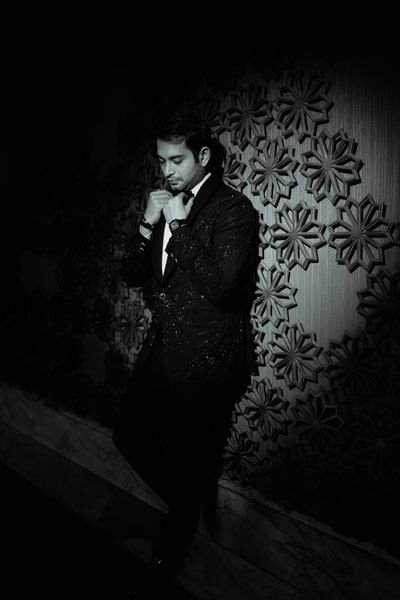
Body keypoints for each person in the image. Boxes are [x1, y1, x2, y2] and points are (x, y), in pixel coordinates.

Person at [112, 111, 259, 587]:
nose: (166, 170)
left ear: (203, 156)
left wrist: (178, 228)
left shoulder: (234, 210)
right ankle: (188, 504)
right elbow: (133, 274)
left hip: (208, 357)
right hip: (161, 348)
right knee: (129, 435)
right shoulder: (165, 204)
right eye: (161, 160)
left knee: (189, 455)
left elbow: (221, 288)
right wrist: (147, 223)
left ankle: (171, 548)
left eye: (176, 160)